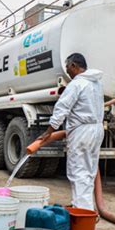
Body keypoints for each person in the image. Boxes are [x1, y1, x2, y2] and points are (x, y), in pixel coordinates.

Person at [39, 53, 104, 210]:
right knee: (89, 170)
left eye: (68, 67)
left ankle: (82, 210)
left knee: (78, 170)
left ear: (74, 66)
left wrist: (49, 131)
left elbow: (61, 109)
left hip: (82, 132)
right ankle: (84, 207)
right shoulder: (96, 83)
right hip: (96, 129)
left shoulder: (77, 84)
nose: (67, 71)